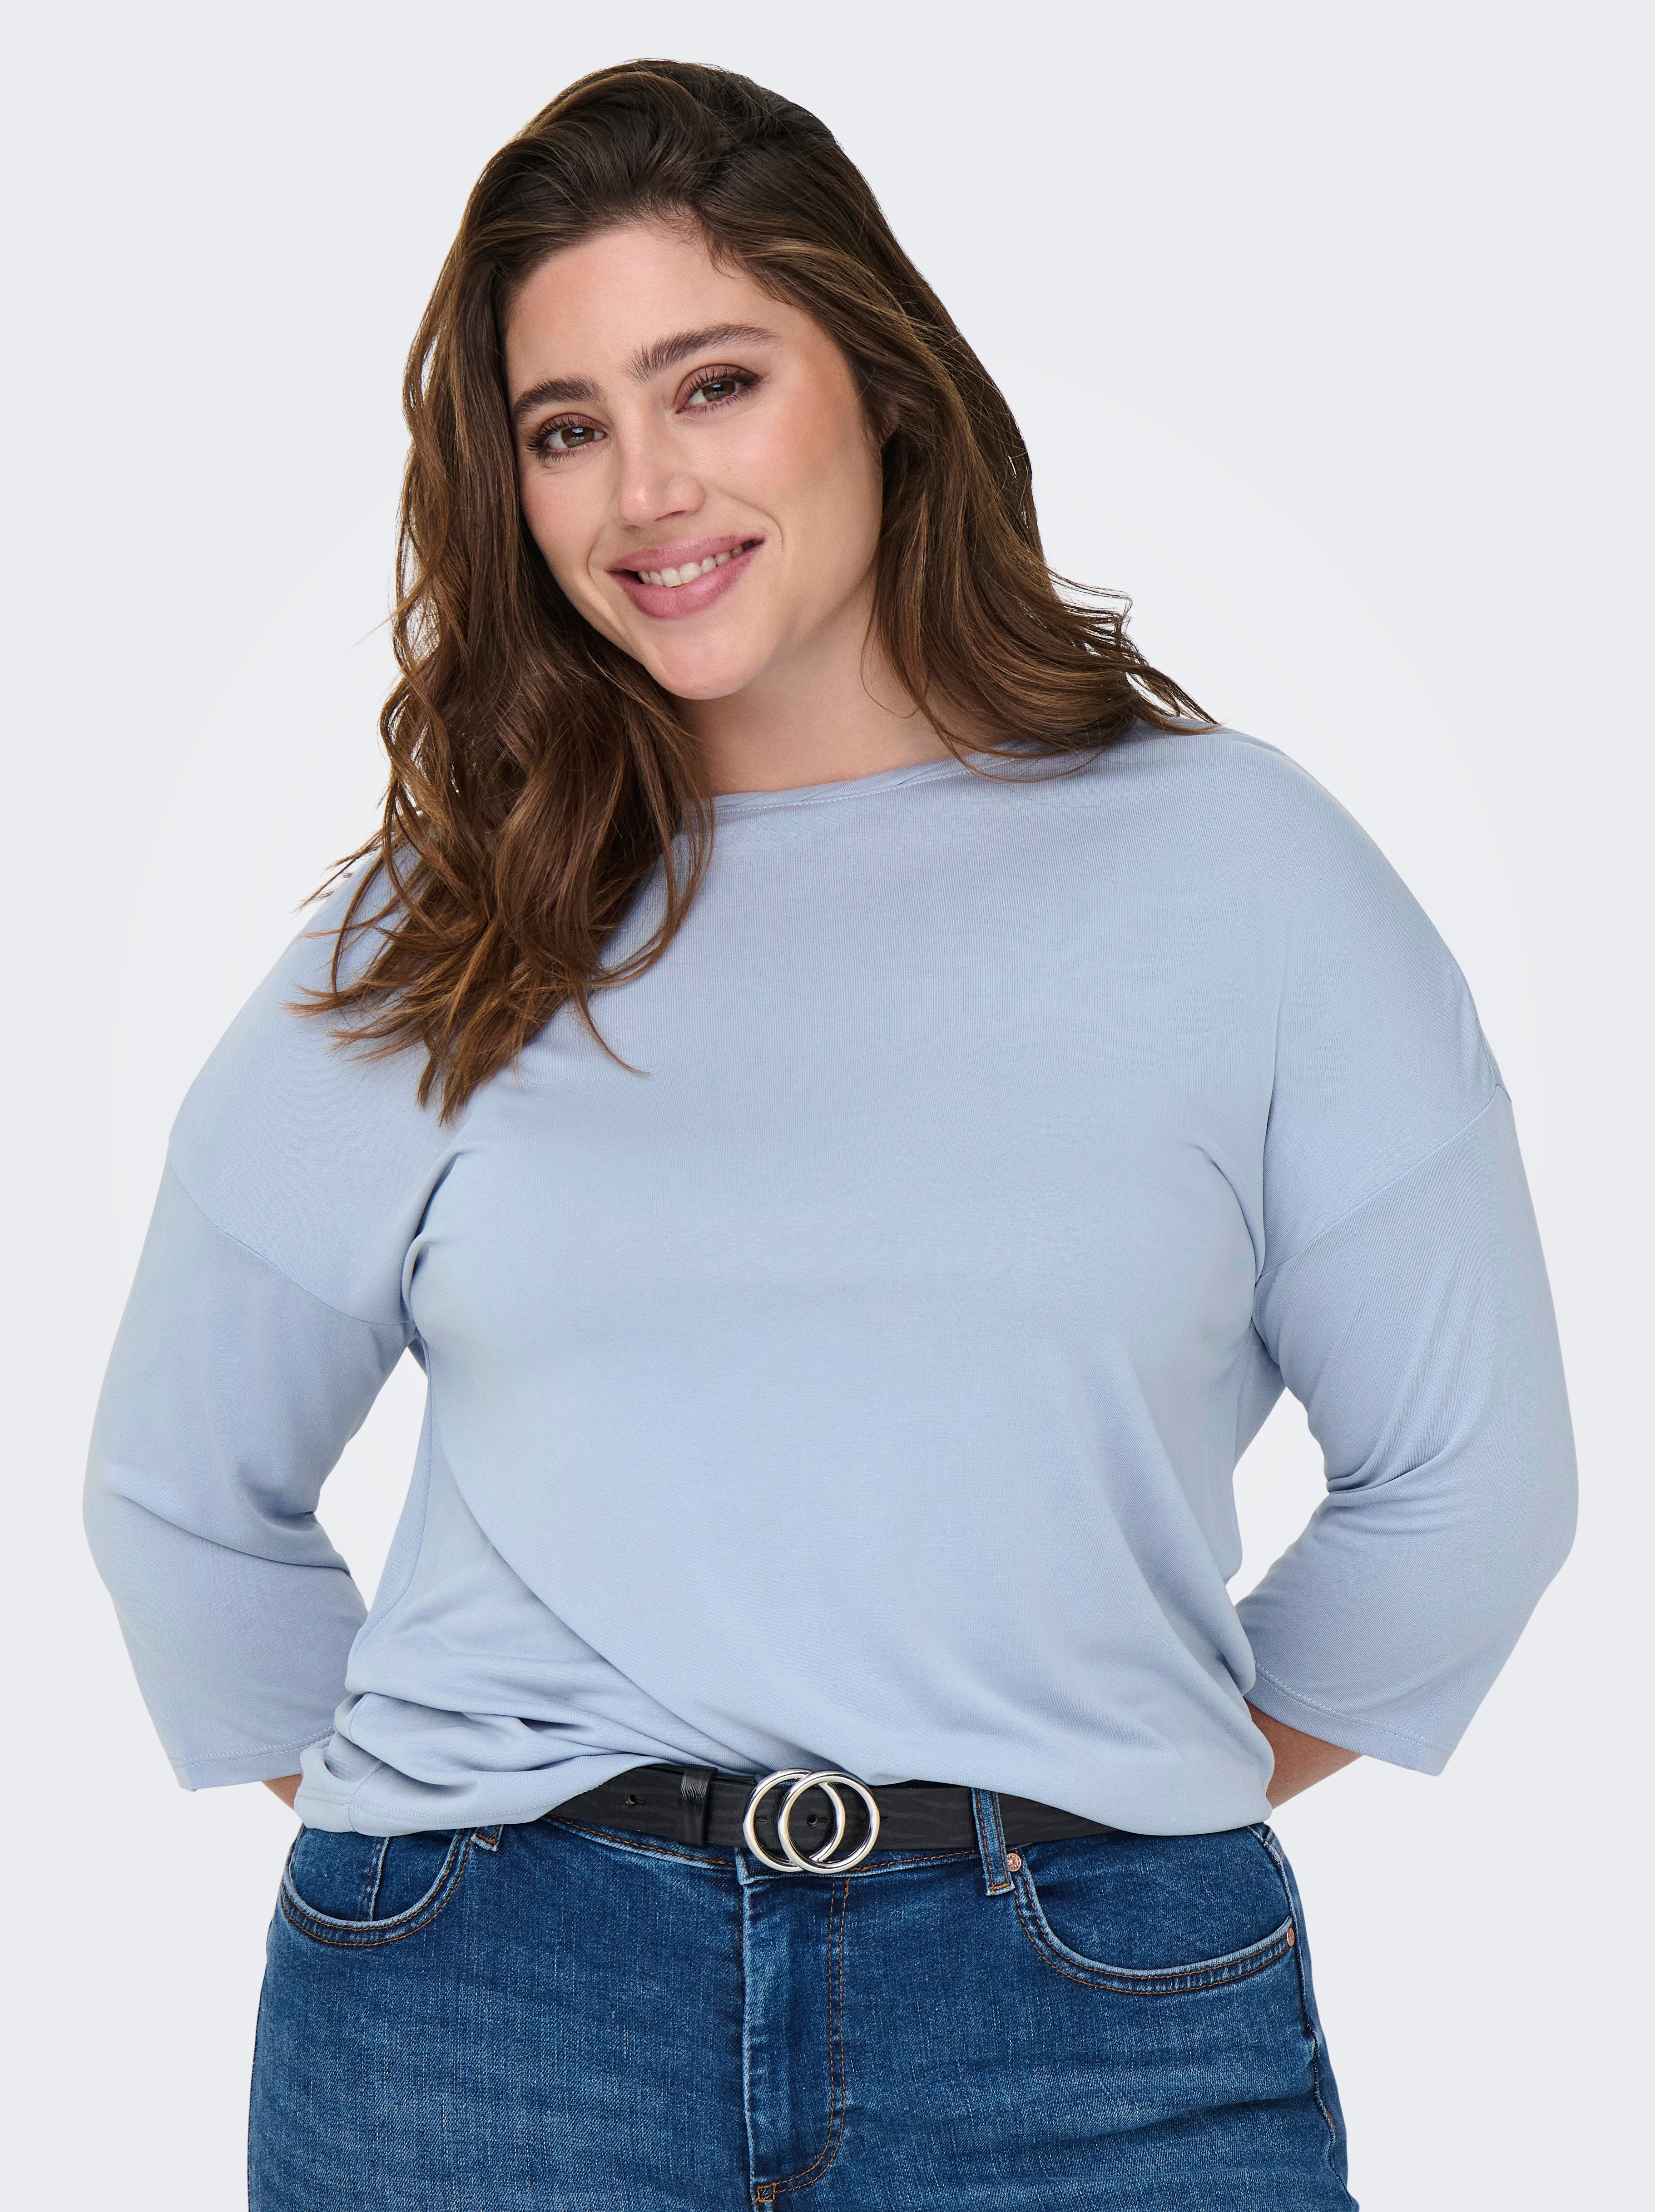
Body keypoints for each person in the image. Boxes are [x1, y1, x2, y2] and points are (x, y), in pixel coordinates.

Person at [84, 58, 1576, 2212]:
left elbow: (1467, 1483)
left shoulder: (1241, 877)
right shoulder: (450, 921)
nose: (642, 491)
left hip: (1094, 2019)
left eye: (711, 383)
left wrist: (1101, 1792)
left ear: (878, 385)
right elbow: (177, 1491)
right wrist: (455, 1850)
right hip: (483, 2034)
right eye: (562, 427)